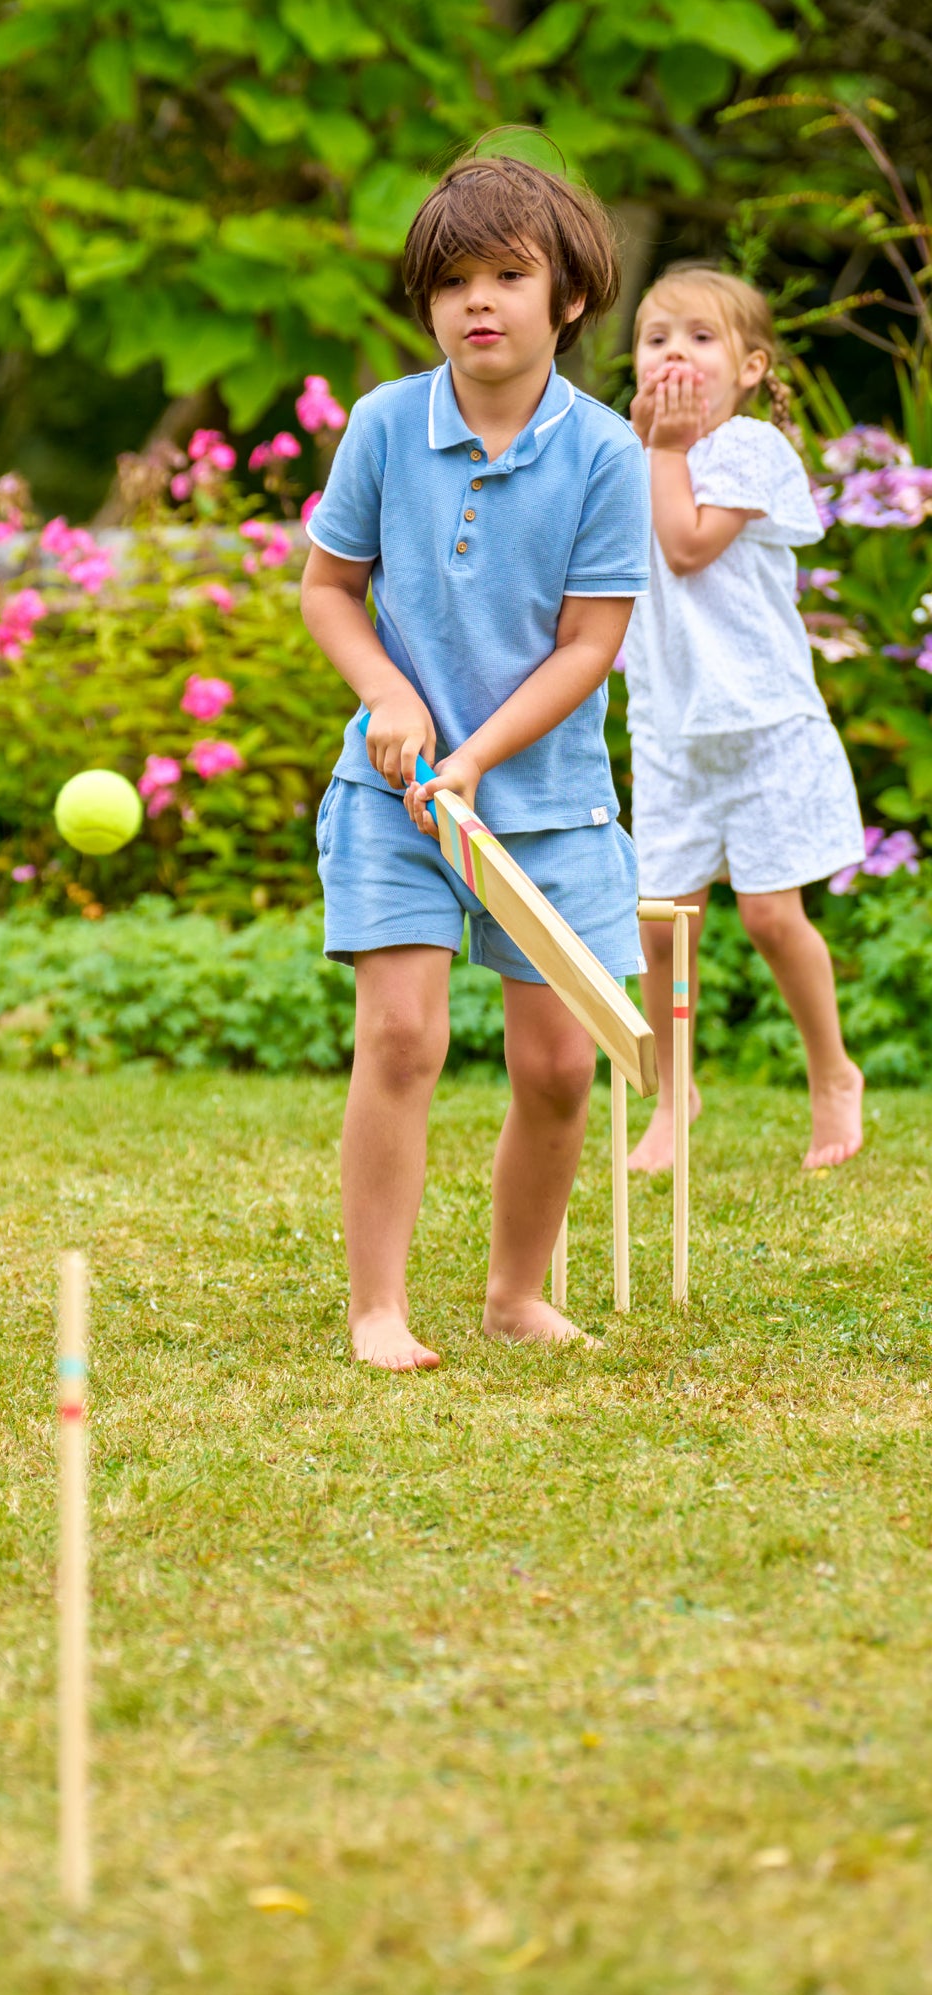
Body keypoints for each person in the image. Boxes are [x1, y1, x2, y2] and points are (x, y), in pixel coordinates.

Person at [300, 153, 651, 1373]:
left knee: (557, 1066)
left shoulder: (602, 453)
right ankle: (376, 1309)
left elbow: (587, 645)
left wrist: (476, 757)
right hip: (390, 793)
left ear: (568, 297)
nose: (476, 301)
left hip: (549, 805)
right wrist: (389, 697)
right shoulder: (384, 425)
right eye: (451, 282)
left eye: (506, 274)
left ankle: (512, 1295)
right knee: (400, 1036)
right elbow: (328, 590)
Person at [620, 265, 863, 1173]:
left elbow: (687, 548)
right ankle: (673, 1094)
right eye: (656, 339)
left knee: (768, 917)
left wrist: (664, 450)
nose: (674, 354)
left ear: (752, 367)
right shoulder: (635, 456)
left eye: (700, 337)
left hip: (763, 724)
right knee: (660, 924)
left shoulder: (750, 450)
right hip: (671, 728)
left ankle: (833, 1073)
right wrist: (644, 446)